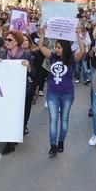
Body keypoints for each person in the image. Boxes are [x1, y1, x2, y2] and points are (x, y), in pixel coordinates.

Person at [37, 28, 86, 157]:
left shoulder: (71, 59)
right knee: (53, 119)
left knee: (64, 119)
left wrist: (78, 35)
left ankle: (61, 142)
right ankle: (52, 146)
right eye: (55, 47)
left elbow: (82, 51)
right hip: (52, 93)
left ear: (65, 48)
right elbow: (41, 46)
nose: (56, 49)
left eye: (59, 47)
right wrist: (43, 34)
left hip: (67, 94)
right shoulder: (52, 57)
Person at [0, 31, 34, 155]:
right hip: (6, 90)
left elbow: (33, 74)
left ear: (17, 42)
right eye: (6, 39)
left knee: (20, 114)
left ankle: (15, 137)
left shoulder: (26, 54)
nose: (6, 42)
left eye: (9, 40)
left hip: (22, 89)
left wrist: (28, 66)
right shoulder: (2, 53)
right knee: (8, 114)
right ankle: (10, 142)